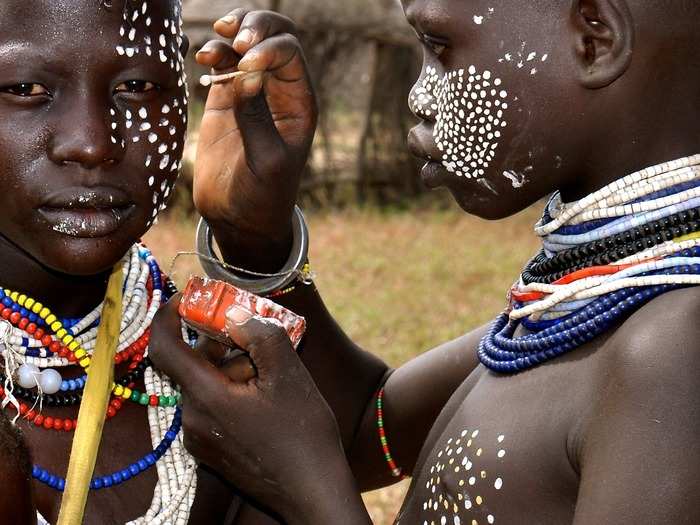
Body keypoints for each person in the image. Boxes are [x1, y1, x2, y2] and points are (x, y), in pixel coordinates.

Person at [149, 1, 700, 524]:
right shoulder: (588, 301)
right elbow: (368, 430)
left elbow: (322, 463)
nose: (419, 94)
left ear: (594, 38)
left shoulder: (676, 351)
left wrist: (304, 496)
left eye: (440, 47)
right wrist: (257, 237)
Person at [0, 1, 376, 523]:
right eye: (23, 90)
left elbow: (370, 441)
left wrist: (254, 242)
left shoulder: (214, 377)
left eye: (136, 87)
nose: (92, 144)